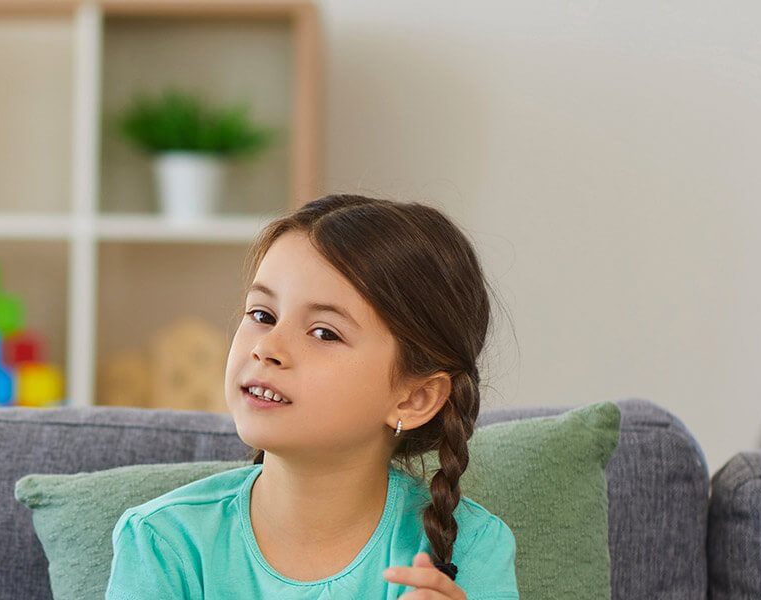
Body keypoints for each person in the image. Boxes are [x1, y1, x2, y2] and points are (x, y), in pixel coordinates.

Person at [107, 196, 519, 599]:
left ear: (415, 398)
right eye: (262, 315)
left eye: (324, 333)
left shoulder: (473, 547)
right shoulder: (163, 541)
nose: (267, 347)